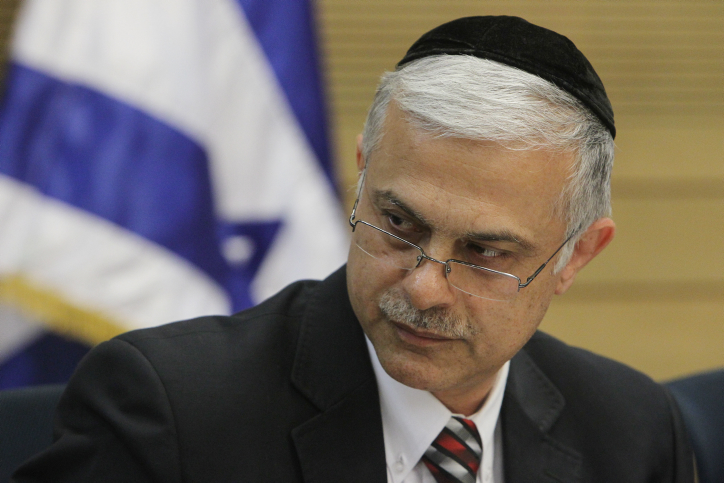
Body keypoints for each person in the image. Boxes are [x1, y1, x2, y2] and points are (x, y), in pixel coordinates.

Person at [13, 16, 694, 483]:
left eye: (486, 251)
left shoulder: (632, 430)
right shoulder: (169, 412)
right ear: (363, 173)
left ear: (577, 255)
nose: (424, 286)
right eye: (398, 222)